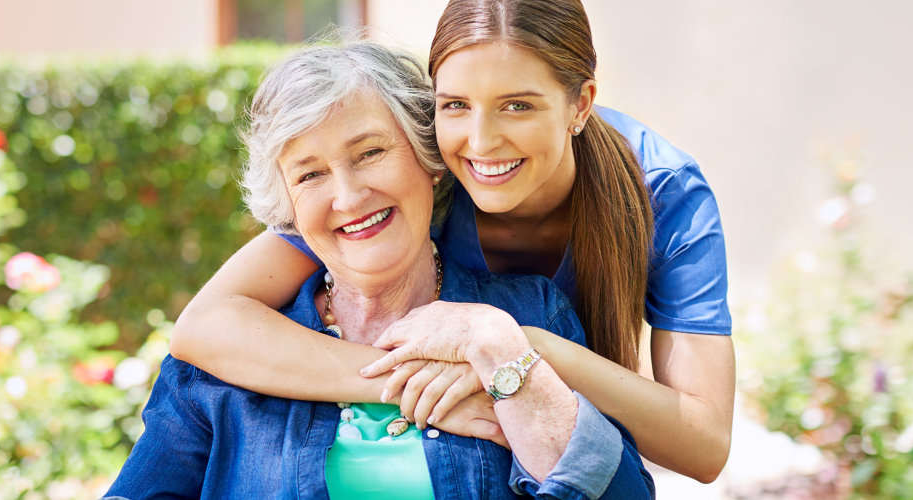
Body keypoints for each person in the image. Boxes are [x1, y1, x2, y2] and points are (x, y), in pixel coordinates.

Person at [171, 0, 736, 483]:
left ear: (580, 103)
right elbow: (206, 325)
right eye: (455, 105)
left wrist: (517, 349)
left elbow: (704, 445)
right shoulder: (421, 169)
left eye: (518, 104)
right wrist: (399, 383)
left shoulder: (663, 192)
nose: (481, 142)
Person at [104, 41, 653, 499]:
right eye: (310, 175)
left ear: (428, 158)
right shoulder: (219, 367)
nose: (348, 196)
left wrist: (505, 355)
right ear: (288, 208)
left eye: (370, 154)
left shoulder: (528, 314)